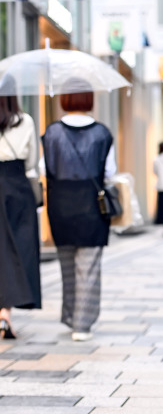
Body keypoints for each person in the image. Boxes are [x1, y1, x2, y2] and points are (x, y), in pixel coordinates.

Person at [41, 80, 116, 341]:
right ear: (89, 99)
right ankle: (82, 326)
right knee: (89, 266)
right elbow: (110, 173)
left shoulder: (51, 133)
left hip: (60, 207)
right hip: (91, 207)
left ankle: (70, 316)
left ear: (64, 99)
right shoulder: (102, 134)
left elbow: (44, 169)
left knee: (67, 265)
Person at [0, 78, 41, 338]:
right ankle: (5, 313)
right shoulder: (25, 121)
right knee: (17, 248)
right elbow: (32, 162)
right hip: (17, 186)